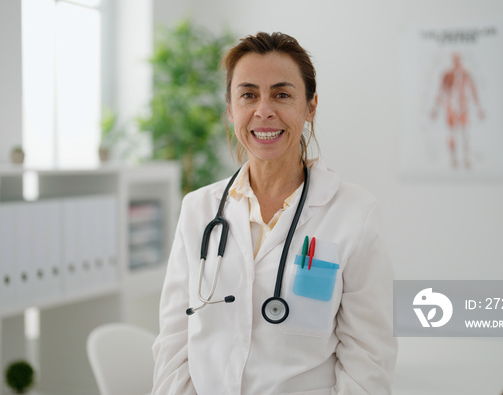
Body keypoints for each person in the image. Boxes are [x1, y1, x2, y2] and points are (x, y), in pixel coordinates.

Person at [152, 32, 396, 394]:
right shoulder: (197, 210)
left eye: (282, 94)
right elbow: (174, 345)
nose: (264, 110)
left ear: (310, 106)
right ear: (230, 108)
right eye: (248, 94)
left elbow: (368, 361)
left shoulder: (354, 213)